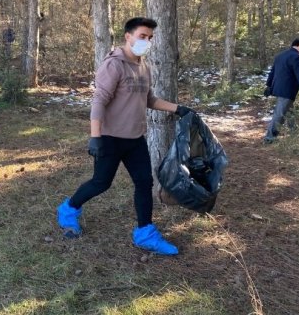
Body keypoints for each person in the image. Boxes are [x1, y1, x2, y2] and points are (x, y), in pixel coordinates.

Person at [56, 17, 195, 255]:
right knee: (101, 183)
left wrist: (177, 108)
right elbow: (99, 100)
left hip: (135, 138)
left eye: (150, 38)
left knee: (144, 182)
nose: (147, 41)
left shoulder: (143, 67)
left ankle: (145, 233)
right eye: (143, 36)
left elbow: (148, 99)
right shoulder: (114, 65)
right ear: (128, 36)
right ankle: (68, 209)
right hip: (109, 137)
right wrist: (95, 137)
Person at [263, 37, 299, 143]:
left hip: (278, 88)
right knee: (279, 115)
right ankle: (269, 138)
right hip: (287, 91)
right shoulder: (297, 58)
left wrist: (268, 86)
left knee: (289, 113)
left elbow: (272, 72)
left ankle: (294, 135)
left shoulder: (280, 55)